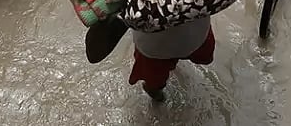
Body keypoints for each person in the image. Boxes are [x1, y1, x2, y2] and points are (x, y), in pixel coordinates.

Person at [83, 15, 215, 102]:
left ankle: (157, 97)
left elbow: (95, 52)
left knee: (154, 81)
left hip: (190, 37)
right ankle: (157, 95)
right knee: (154, 84)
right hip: (156, 49)